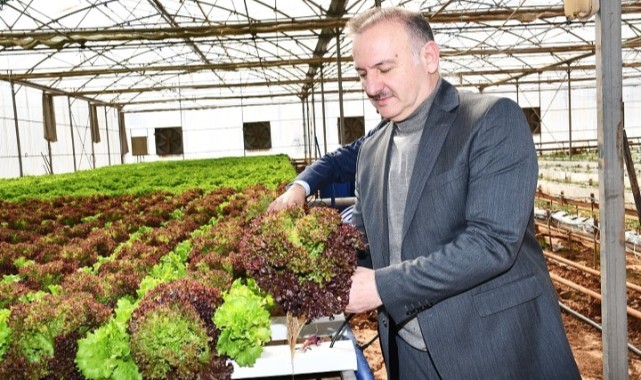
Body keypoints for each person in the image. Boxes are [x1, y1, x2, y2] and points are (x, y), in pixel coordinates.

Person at [339, 7, 578, 380]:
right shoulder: (371, 151)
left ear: (429, 57)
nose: (372, 87)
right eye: (362, 74)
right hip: (409, 354)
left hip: (493, 352)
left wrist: (381, 286)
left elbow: (491, 244)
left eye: (384, 69)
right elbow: (369, 243)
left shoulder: (490, 120)